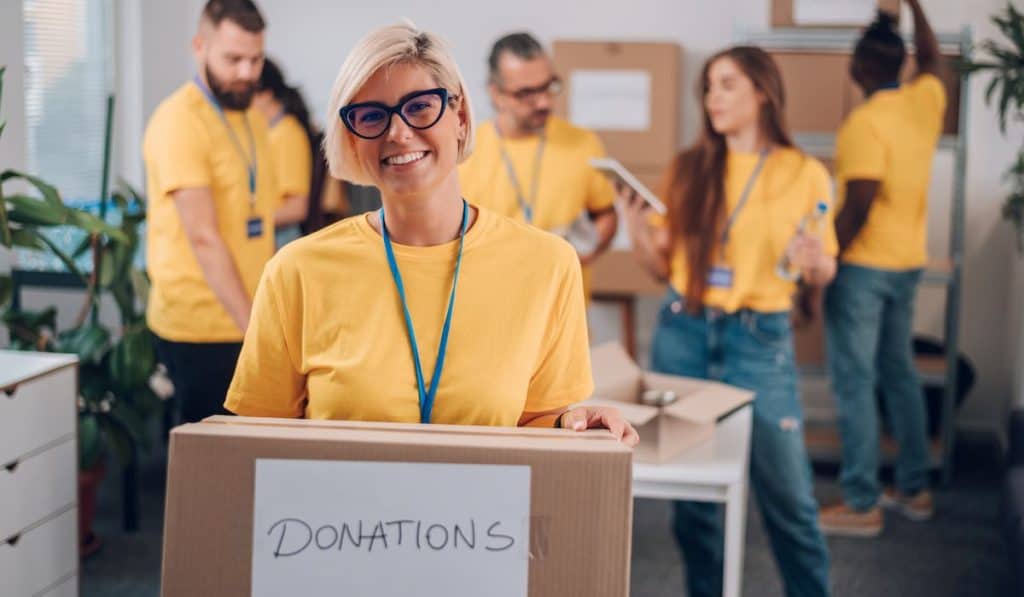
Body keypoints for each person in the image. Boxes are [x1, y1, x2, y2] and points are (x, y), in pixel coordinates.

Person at [224, 22, 638, 447]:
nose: (398, 132)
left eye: (420, 106)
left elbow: (534, 427)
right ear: (351, 138)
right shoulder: (296, 272)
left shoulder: (549, 264)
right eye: (371, 116)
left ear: (459, 117)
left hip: (483, 512)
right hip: (343, 513)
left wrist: (573, 424)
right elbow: (259, 446)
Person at [622, 46, 835, 597]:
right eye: (708, 88)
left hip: (758, 341)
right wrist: (637, 229)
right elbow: (661, 268)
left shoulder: (803, 172)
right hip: (684, 331)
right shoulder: (689, 168)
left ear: (762, 91)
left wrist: (816, 264)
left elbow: (824, 263)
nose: (712, 98)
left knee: (788, 499)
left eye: (726, 85)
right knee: (694, 507)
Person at [819, 0, 946, 536]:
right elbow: (935, 59)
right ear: (901, 64)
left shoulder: (863, 123)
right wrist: (914, 5)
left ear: (859, 68)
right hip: (907, 265)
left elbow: (859, 203)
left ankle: (861, 500)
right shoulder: (924, 101)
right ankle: (914, 490)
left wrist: (829, 259)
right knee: (898, 375)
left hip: (864, 269)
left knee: (855, 382)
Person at [142, 0, 275, 424]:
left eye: (255, 59)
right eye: (233, 58)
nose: (246, 72)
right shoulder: (178, 121)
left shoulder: (249, 116)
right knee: (213, 468)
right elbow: (204, 237)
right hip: (201, 326)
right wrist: (256, 333)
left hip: (246, 315)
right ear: (200, 47)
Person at [458, 32, 617, 300]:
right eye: (526, 93)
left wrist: (588, 250)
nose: (544, 102)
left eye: (548, 86)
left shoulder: (584, 144)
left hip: (563, 311)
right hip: (487, 308)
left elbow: (605, 214)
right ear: (496, 94)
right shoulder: (462, 153)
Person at [252, 57, 314, 249]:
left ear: (266, 94)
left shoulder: (287, 134)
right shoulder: (267, 133)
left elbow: (297, 209)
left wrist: (249, 226)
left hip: (281, 239)